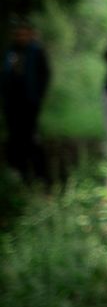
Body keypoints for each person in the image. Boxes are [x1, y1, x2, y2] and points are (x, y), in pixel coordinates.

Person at [1, 20, 50, 185]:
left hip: (29, 102)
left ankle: (40, 174)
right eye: (17, 34)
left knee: (30, 137)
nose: (20, 37)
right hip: (12, 102)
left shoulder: (36, 52)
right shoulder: (11, 52)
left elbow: (44, 76)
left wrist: (38, 96)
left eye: (23, 34)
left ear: (30, 34)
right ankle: (18, 172)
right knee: (14, 136)